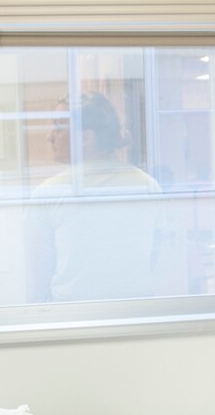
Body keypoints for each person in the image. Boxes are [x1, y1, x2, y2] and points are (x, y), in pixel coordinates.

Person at [25, 91, 163, 302]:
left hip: (72, 320)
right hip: (137, 316)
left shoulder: (49, 193)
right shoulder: (147, 185)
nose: (49, 136)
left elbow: (37, 280)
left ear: (87, 137)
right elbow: (152, 260)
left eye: (58, 126)